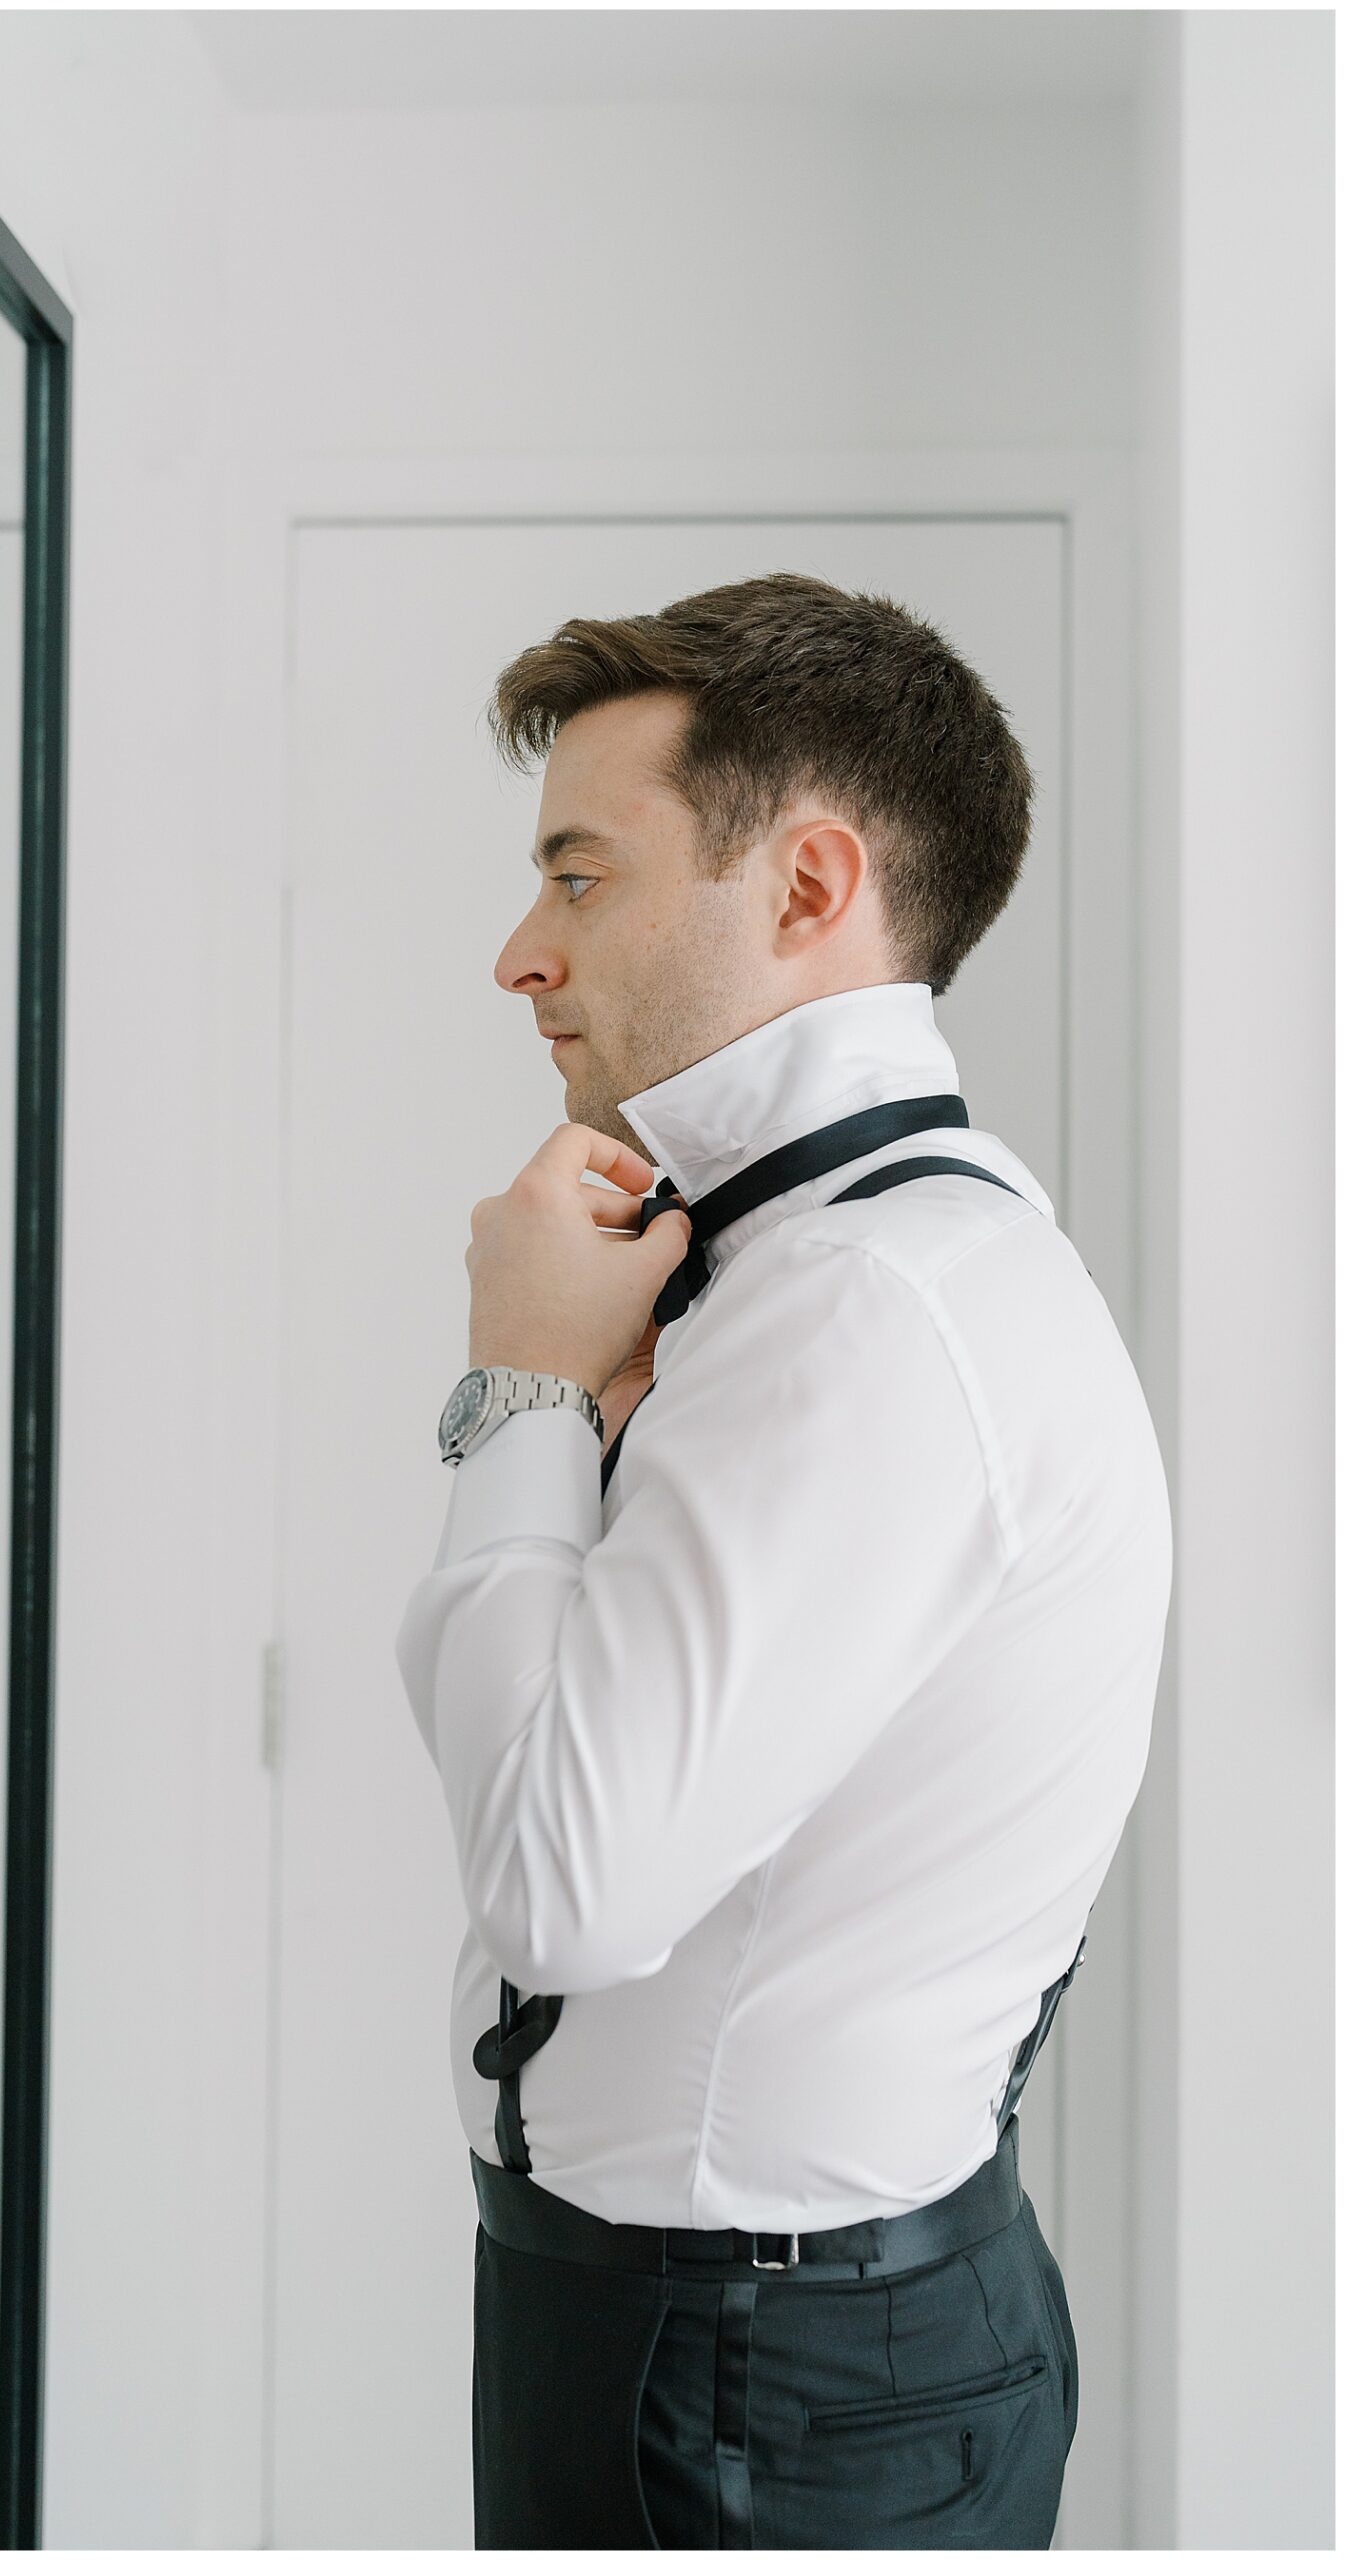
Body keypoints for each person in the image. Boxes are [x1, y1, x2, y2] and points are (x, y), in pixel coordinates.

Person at [394, 572, 1172, 2550]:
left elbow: (560, 1879)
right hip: (734, 2337)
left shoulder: (864, 1306)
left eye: (578, 875)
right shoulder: (835, 1260)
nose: (518, 951)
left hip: (753, 2383)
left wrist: (519, 1393)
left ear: (807, 886)